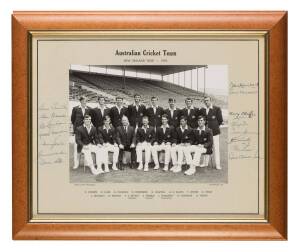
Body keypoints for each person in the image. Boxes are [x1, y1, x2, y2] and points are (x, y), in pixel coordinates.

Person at [199, 96, 223, 170]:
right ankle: (205, 163)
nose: (206, 102)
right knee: (206, 146)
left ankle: (218, 165)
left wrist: (214, 127)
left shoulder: (217, 109)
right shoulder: (203, 110)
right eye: (205, 101)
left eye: (207, 100)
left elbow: (220, 120)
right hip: (206, 133)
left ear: (210, 100)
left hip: (215, 132)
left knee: (216, 148)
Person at [71, 95, 92, 169]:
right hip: (78, 130)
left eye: (86, 100)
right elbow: (73, 119)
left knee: (86, 145)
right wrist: (76, 128)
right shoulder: (75, 108)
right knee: (78, 146)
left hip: (86, 130)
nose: (84, 102)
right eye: (83, 100)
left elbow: (90, 119)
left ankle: (87, 162)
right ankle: (76, 163)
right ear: (80, 101)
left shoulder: (89, 109)